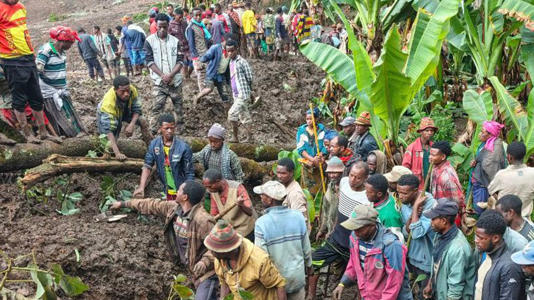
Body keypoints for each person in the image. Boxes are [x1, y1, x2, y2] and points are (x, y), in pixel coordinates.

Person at [110, 180, 218, 299]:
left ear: (185, 197)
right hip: (191, 269)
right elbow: (150, 204)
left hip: (207, 273)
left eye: (180, 190)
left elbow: (218, 248)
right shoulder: (174, 209)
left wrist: (205, 262)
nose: (177, 192)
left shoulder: (203, 220)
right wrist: (123, 204)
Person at [0, 0, 63, 144]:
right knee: (19, 99)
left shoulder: (20, 7)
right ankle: (27, 134)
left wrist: (31, 51)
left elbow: (23, 32)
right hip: (11, 59)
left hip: (28, 57)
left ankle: (43, 132)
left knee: (36, 97)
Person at [307, 162, 370, 300]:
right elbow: (340, 209)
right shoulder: (343, 182)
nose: (353, 180)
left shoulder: (367, 196)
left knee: (362, 277)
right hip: (336, 238)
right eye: (351, 175)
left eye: (358, 178)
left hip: (355, 245)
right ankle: (311, 295)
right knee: (314, 262)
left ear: (365, 178)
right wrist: (332, 228)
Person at [331, 205, 412, 300]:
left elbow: (394, 282)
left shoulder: (391, 245)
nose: (356, 232)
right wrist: (342, 283)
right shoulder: (355, 238)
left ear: (372, 225)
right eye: (354, 228)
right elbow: (354, 263)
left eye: (359, 228)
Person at [253, 180, 311, 299]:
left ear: (270, 199)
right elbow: (307, 249)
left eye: (263, 195)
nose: (261, 197)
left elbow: (261, 257)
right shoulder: (298, 216)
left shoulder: (261, 223)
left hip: (275, 283)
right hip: (297, 278)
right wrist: (310, 268)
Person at [204, 220, 287, 299]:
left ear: (226, 251)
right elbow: (224, 284)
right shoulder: (219, 260)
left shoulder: (258, 260)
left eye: (214, 250)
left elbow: (279, 285)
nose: (211, 252)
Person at [422, 198, 475, 300]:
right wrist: (430, 284)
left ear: (443, 221)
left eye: (433, 218)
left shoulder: (458, 249)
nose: (430, 222)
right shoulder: (439, 235)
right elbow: (436, 264)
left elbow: (455, 289)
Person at [37, 26, 86, 138]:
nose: (71, 46)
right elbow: (38, 69)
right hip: (48, 89)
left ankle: (76, 132)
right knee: (55, 113)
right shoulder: (46, 51)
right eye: (70, 43)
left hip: (60, 88)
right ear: (64, 41)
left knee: (68, 110)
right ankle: (63, 134)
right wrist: (51, 84)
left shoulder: (62, 52)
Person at [132, 113, 193, 200]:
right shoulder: (154, 145)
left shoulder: (183, 147)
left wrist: (187, 191)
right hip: (167, 190)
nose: (169, 131)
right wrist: (141, 187)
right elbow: (147, 166)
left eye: (172, 128)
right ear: (160, 129)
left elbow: (189, 173)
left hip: (181, 191)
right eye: (166, 128)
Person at [144, 13, 184, 132]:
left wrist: (170, 75)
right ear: (156, 25)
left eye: (165, 27)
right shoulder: (149, 41)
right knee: (156, 107)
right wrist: (162, 75)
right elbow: (149, 61)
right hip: (159, 82)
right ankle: (153, 131)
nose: (162, 29)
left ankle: (180, 130)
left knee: (178, 107)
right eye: (160, 26)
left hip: (175, 81)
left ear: (168, 26)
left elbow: (180, 61)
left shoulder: (175, 42)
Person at [473, 210, 526, 300]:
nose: (476, 240)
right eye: (476, 236)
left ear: (495, 238)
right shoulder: (486, 255)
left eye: (481, 238)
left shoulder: (509, 267)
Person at [397, 174, 436, 294]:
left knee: (424, 293)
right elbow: (405, 231)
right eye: (399, 192)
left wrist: (415, 210)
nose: (401, 196)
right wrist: (413, 215)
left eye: (404, 193)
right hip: (411, 257)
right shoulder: (405, 203)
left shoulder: (430, 205)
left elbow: (417, 233)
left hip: (426, 260)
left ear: (415, 191)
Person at [96, 76, 151, 160]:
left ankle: (151, 148)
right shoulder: (109, 103)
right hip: (108, 114)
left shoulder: (132, 90)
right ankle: (108, 154)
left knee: (142, 120)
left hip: (124, 109)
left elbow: (137, 109)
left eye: (127, 90)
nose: (126, 94)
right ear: (115, 90)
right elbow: (108, 130)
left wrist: (131, 124)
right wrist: (118, 154)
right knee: (113, 133)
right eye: (122, 91)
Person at [202, 169, 257, 240]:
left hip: (245, 228)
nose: (208, 190)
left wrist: (241, 205)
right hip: (230, 230)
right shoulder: (213, 191)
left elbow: (250, 212)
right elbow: (214, 213)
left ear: (218, 181)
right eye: (206, 187)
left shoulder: (237, 188)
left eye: (210, 186)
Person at [489, 141, 534, 218]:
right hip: (524, 218)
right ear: (524, 156)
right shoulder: (532, 173)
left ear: (509, 157)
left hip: (505, 219)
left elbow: (491, 190)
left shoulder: (502, 175)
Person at [470, 121, 506, 215]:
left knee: (480, 210)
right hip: (480, 182)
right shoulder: (487, 143)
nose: (479, 134)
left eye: (482, 132)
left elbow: (489, 166)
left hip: (483, 184)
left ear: (490, 135)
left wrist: (493, 189)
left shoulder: (495, 147)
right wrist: (476, 160)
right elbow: (482, 158)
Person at [227, 39, 254, 142]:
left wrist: (251, 92)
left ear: (236, 50)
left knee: (231, 114)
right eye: (228, 51)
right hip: (236, 94)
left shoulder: (242, 62)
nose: (230, 53)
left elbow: (250, 77)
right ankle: (250, 138)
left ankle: (235, 137)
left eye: (232, 51)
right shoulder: (231, 62)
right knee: (244, 116)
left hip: (243, 94)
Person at [429, 141, 465, 213]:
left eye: (433, 155)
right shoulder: (435, 167)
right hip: (438, 209)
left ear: (443, 157)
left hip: (446, 214)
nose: (430, 157)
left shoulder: (447, 177)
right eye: (430, 154)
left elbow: (456, 202)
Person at [365, 174, 404, 240]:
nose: (366, 193)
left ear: (379, 194)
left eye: (369, 192)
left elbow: (396, 240)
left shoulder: (389, 216)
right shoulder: (384, 198)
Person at [402, 117, 437, 189]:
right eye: (427, 130)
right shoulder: (412, 148)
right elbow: (405, 168)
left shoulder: (434, 147)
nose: (429, 133)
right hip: (418, 186)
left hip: (431, 184)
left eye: (431, 131)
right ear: (421, 132)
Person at [316, 156, 345, 241]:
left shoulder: (345, 189)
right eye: (330, 173)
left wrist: (333, 232)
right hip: (331, 231)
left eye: (335, 173)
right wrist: (322, 230)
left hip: (341, 233)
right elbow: (326, 212)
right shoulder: (330, 187)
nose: (332, 176)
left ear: (341, 173)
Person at [196, 37, 230, 104]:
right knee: (209, 89)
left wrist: (228, 79)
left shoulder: (230, 51)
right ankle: (197, 97)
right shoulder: (216, 48)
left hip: (221, 75)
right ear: (224, 41)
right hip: (212, 73)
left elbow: (228, 66)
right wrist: (200, 63)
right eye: (228, 43)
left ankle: (226, 108)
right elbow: (207, 56)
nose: (229, 45)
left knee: (225, 94)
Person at [187, 7, 212, 96]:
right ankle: (203, 95)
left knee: (206, 75)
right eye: (196, 15)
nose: (198, 17)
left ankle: (206, 93)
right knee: (201, 75)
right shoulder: (191, 27)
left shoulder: (201, 25)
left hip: (205, 53)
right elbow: (191, 45)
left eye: (199, 15)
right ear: (192, 16)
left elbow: (205, 40)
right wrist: (196, 60)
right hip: (199, 56)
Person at [169, 8, 192, 79]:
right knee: (184, 63)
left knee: (192, 63)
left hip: (187, 47)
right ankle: (186, 77)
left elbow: (188, 33)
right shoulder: (170, 25)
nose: (181, 18)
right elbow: (169, 38)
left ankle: (188, 75)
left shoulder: (185, 23)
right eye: (179, 17)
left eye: (182, 17)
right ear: (175, 15)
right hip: (179, 48)